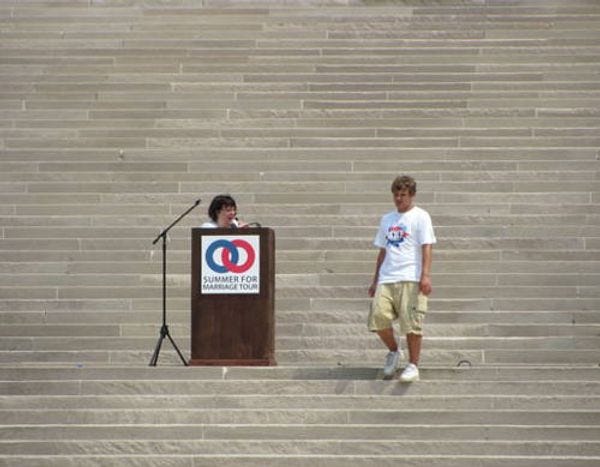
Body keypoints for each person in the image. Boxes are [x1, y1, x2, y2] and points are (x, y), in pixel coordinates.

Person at [367, 175, 436, 382]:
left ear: (411, 195)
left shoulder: (421, 216)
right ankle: (394, 351)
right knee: (378, 317)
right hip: (387, 277)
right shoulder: (387, 219)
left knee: (411, 323)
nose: (399, 198)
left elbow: (427, 246)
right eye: (396, 195)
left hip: (411, 277)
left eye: (403, 195)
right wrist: (375, 279)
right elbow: (382, 250)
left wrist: (425, 275)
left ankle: (413, 365)